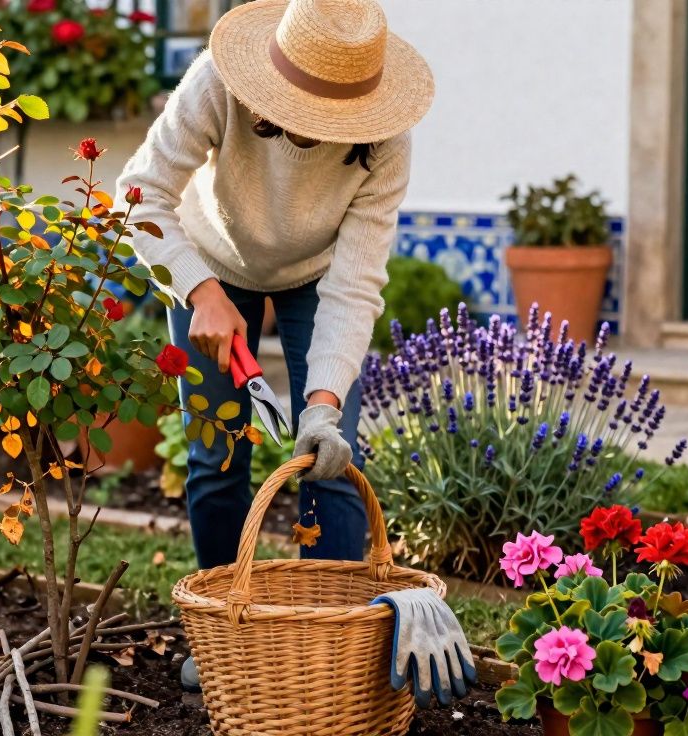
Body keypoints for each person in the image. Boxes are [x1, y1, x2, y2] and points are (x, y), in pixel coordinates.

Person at [116, 0, 434, 690]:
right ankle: (228, 638)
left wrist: (321, 403)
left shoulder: (387, 137)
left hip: (312, 278)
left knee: (328, 459)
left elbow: (355, 284)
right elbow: (138, 194)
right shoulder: (217, 81)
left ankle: (332, 653)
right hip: (207, 260)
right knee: (215, 457)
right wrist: (200, 292)